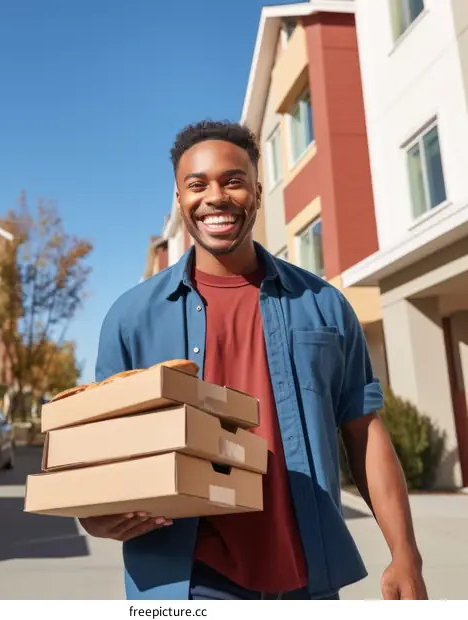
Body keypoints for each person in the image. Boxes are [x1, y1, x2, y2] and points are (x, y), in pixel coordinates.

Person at [80, 120, 427, 601]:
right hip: (183, 581)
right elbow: (102, 443)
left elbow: (363, 430)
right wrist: (95, 514)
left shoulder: (323, 304)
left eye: (233, 181)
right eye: (197, 185)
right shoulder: (131, 317)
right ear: (179, 201)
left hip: (306, 577)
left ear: (257, 192)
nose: (215, 196)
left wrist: (405, 552)